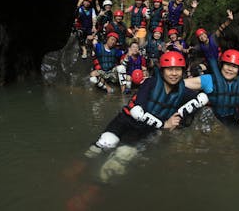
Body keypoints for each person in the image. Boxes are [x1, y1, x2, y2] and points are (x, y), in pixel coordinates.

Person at [85, 51, 208, 179]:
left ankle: (97, 187)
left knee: (122, 156)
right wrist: (164, 124)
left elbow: (202, 99)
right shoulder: (150, 83)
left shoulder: (183, 91)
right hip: (126, 120)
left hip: (143, 131)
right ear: (162, 70)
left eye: (178, 70)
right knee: (104, 144)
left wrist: (181, 118)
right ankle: (79, 167)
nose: (174, 74)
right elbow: (137, 112)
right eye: (170, 69)